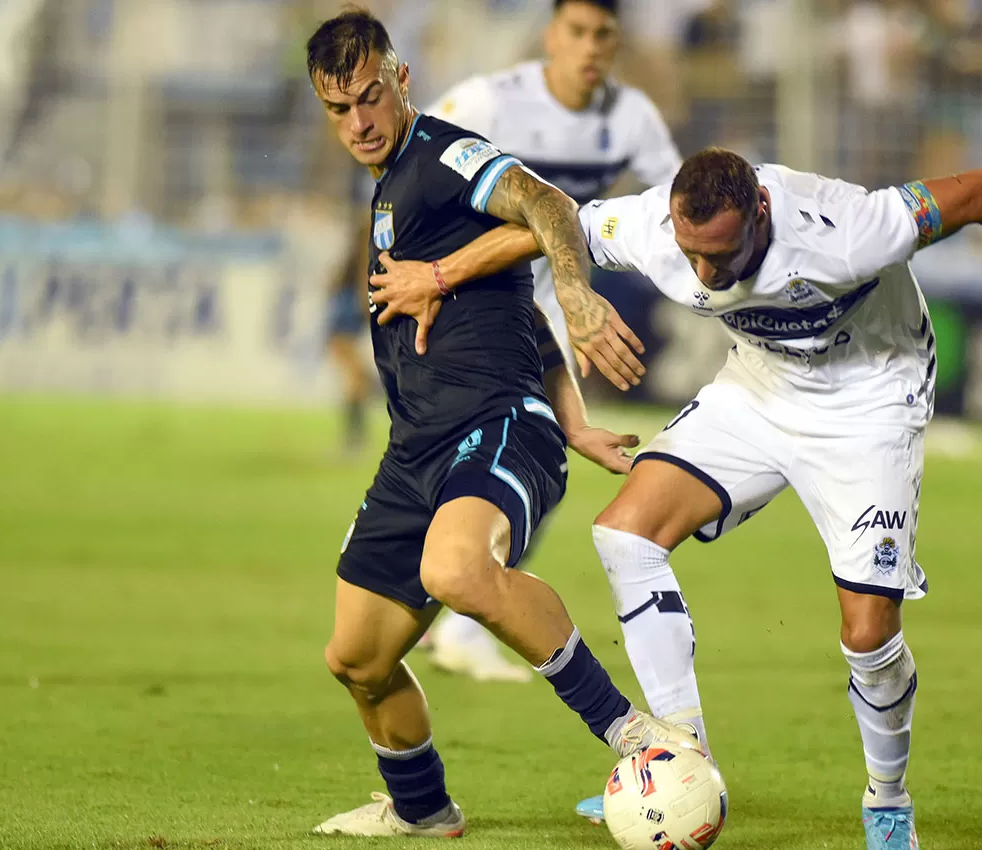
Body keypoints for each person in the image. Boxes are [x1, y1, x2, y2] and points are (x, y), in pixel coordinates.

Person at [371, 147, 982, 849]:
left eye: (720, 256)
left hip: (869, 404)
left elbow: (980, 190)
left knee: (867, 633)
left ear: (761, 208)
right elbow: (547, 220)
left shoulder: (849, 231)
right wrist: (436, 277)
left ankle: (887, 800)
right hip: (759, 391)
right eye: (693, 254)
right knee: (625, 533)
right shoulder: (657, 228)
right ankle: (680, 761)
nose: (704, 272)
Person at [302, 9, 697, 838]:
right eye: (339, 109)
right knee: (358, 659)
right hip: (416, 450)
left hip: (497, 425)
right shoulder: (388, 191)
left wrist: (580, 292)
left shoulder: (445, 155)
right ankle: (422, 809)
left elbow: (548, 205)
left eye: (371, 97)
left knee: (456, 570)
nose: (360, 121)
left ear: (400, 79)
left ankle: (637, 737)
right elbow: (515, 308)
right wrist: (580, 420)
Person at [412, 0, 683, 682]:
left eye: (604, 36)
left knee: (514, 455)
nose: (591, 48)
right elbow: (409, 159)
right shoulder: (488, 101)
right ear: (550, 36)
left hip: (549, 300)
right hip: (468, 292)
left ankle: (438, 602)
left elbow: (674, 206)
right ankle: (457, 613)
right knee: (520, 455)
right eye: (578, 32)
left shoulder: (632, 118)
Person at [327, 217, 375, 455]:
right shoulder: (367, 240)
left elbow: (334, 282)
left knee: (355, 380)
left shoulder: (353, 246)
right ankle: (355, 440)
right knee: (356, 380)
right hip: (347, 318)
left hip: (340, 319)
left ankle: (354, 440)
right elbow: (361, 282)